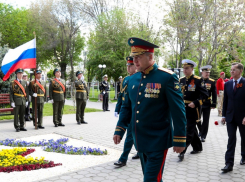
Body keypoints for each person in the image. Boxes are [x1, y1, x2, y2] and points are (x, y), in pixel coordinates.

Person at [113, 37, 186, 182]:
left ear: (150, 56)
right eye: (134, 57)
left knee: (150, 179)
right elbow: (127, 107)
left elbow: (178, 110)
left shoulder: (167, 78)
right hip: (139, 140)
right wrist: (120, 129)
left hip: (158, 140)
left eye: (139, 57)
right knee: (152, 177)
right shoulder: (132, 80)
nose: (135, 61)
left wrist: (180, 139)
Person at [178, 59, 209, 161]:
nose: (185, 70)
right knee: (192, 130)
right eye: (184, 68)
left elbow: (205, 95)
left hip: (193, 109)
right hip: (183, 108)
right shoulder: (181, 80)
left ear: (192, 69)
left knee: (189, 130)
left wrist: (196, 103)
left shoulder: (197, 80)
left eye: (187, 68)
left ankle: (182, 151)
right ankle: (197, 147)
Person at [114, 56, 139, 168]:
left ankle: (123, 158)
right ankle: (138, 151)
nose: (129, 68)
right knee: (132, 135)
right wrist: (117, 109)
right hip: (127, 111)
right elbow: (122, 96)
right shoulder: (125, 80)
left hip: (136, 113)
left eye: (131, 65)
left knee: (131, 135)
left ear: (136, 66)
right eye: (127, 65)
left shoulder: (140, 78)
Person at [221, 63, 245, 173]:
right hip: (230, 116)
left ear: (240, 71)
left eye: (234, 70)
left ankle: (244, 156)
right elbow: (225, 101)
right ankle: (228, 164)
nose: (231, 71)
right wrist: (224, 115)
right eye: (231, 70)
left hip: (242, 117)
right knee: (231, 139)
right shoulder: (228, 84)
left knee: (244, 138)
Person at [197, 65, 217, 142]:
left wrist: (214, 103)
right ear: (202, 73)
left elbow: (214, 93)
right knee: (197, 119)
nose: (207, 74)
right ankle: (200, 131)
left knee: (206, 120)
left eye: (208, 73)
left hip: (207, 103)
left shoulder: (211, 81)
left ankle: (203, 135)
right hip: (199, 103)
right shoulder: (198, 80)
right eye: (206, 72)